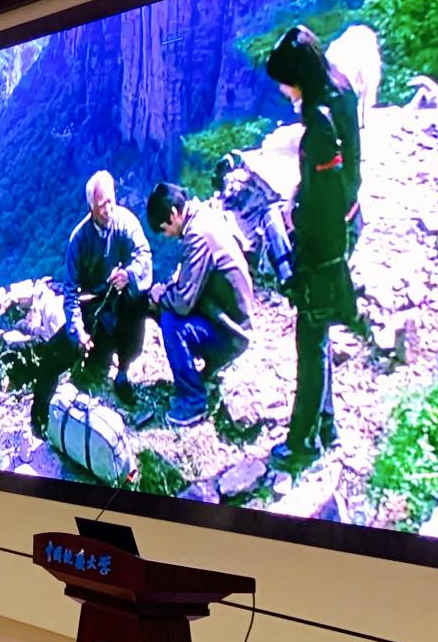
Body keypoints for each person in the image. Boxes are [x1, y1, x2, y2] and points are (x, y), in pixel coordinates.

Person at [264, 26, 365, 468]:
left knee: (310, 337)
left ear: (299, 77)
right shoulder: (338, 87)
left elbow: (323, 202)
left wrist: (295, 221)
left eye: (285, 82)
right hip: (345, 223)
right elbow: (337, 182)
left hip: (325, 242)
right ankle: (327, 424)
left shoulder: (319, 125)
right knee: (317, 333)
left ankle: (303, 443)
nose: (283, 90)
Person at [30, 170, 152, 434]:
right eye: (101, 205)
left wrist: (129, 274)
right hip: (92, 308)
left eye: (110, 201)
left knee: (140, 302)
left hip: (120, 300)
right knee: (52, 356)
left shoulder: (126, 223)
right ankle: (39, 418)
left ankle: (122, 373)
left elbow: (143, 255)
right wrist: (77, 332)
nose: (108, 210)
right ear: (91, 207)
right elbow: (71, 292)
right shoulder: (79, 240)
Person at [146, 182, 255, 428]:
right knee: (170, 308)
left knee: (170, 321)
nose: (167, 235)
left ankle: (193, 402)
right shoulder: (204, 217)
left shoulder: (197, 236)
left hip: (233, 332)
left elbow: (183, 303)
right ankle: (207, 370)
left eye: (165, 228)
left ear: (174, 214)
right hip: (231, 316)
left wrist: (160, 296)